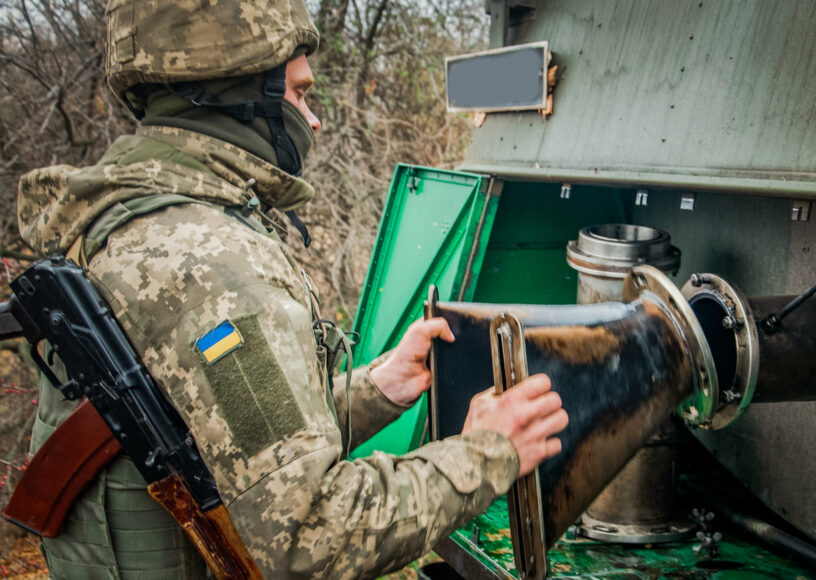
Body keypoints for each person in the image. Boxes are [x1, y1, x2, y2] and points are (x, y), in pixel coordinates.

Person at [16, 0, 568, 578]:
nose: (317, 120)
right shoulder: (211, 263)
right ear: (239, 96)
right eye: (301, 95)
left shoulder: (133, 219)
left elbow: (225, 440)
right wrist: (487, 452)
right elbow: (310, 536)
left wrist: (381, 387)